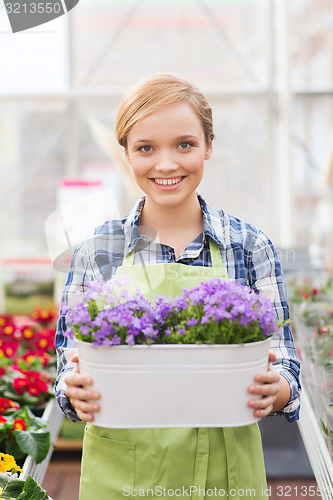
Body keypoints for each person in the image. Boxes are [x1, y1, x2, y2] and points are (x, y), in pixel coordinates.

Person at [55, 73, 301, 499]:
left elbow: (286, 367)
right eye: (146, 148)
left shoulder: (249, 246)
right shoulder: (98, 250)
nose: (166, 163)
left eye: (184, 144)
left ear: (209, 145)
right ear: (127, 155)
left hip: (227, 476)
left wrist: (273, 390)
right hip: (124, 476)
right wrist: (73, 391)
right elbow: (67, 366)